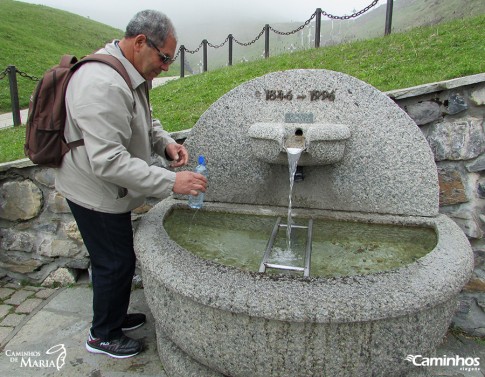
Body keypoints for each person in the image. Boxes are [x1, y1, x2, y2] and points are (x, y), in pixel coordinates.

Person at [55, 10, 207, 359]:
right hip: (94, 191)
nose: (167, 66)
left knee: (118, 258)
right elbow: (108, 161)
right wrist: (172, 181)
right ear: (141, 43)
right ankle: (103, 334)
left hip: (108, 187)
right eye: (164, 57)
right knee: (115, 262)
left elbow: (144, 116)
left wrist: (165, 143)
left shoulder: (128, 69)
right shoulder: (103, 84)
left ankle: (115, 316)